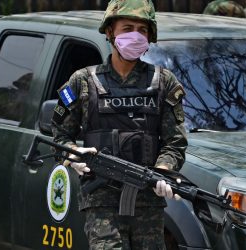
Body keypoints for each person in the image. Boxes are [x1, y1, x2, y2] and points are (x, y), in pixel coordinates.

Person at [51, 0, 188, 249]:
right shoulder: (82, 82)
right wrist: (74, 156)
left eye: (142, 29)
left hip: (148, 199)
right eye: (128, 28)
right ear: (109, 32)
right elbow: (59, 137)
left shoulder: (163, 82)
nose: (136, 35)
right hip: (101, 200)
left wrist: (164, 170)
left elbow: (175, 142)